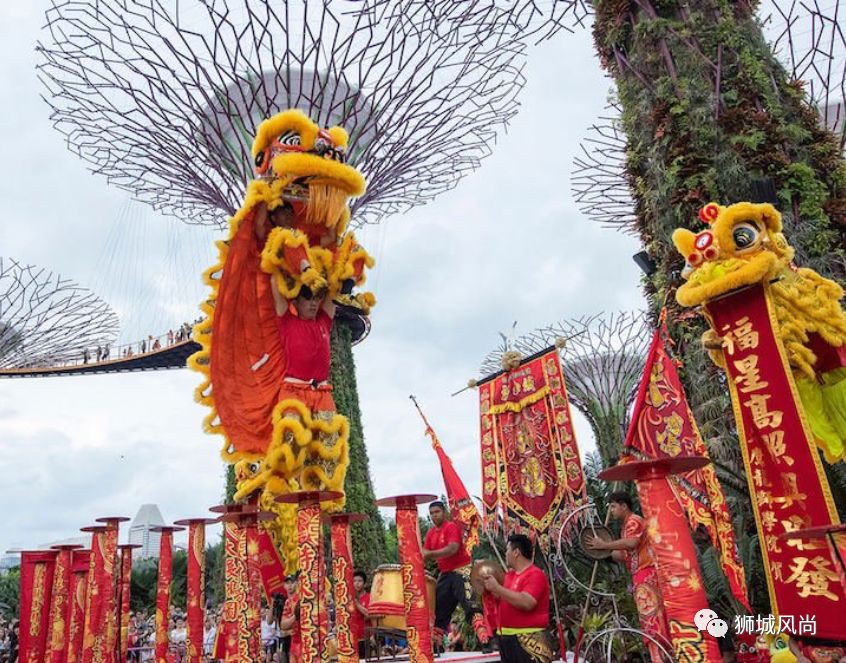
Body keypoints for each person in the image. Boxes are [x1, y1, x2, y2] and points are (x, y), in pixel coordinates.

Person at [585, 491, 670, 661]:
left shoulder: (633, 521)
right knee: (651, 620)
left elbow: (631, 543)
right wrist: (604, 552)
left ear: (624, 506)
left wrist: (605, 544)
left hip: (647, 574)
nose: (611, 510)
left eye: (613, 506)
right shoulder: (626, 527)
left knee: (653, 620)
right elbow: (625, 555)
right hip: (641, 575)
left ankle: (660, 657)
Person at [421, 500, 491, 650]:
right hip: (445, 573)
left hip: (462, 569)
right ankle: (436, 646)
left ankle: (485, 641)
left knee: (470, 604)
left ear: (444, 512)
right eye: (431, 513)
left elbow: (452, 549)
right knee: (439, 608)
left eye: (437, 512)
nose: (434, 516)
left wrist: (429, 554)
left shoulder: (451, 527)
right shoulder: (431, 533)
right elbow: (424, 556)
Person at [482, 534, 551, 663]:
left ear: (516, 552)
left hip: (529, 639)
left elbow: (527, 603)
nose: (505, 554)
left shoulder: (535, 574)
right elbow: (501, 598)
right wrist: (488, 588)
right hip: (507, 639)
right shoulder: (509, 575)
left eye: (507, 550)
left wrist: (497, 588)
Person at [279, 575, 301, 663]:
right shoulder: (288, 602)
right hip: (295, 643)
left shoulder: (304, 597)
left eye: (292, 582)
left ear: (297, 583)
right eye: (287, 583)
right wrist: (295, 616)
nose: (290, 585)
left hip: (308, 640)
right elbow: (283, 625)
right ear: (284, 586)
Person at [350, 570, 371, 658]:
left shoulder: (369, 597)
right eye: (354, 581)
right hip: (353, 639)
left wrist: (357, 604)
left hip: (366, 638)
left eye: (359, 581)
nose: (357, 584)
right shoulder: (349, 599)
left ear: (365, 584)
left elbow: (370, 615)